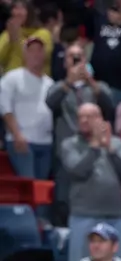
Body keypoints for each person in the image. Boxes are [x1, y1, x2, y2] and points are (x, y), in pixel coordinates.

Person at [59, 101, 121, 261]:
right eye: (81, 117)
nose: (84, 120)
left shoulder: (117, 143)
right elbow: (77, 170)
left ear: (101, 119)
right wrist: (95, 147)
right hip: (83, 215)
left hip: (114, 215)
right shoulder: (69, 144)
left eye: (89, 116)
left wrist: (110, 148)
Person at [45, 40, 113, 149]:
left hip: (93, 143)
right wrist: (69, 82)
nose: (75, 59)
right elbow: (50, 103)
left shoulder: (97, 86)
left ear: (85, 60)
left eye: (79, 56)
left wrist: (90, 81)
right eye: (71, 56)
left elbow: (110, 105)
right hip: (66, 145)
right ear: (65, 63)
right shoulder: (58, 86)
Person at [0, 33, 49, 178]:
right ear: (25, 54)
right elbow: (5, 108)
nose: (36, 54)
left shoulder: (50, 83)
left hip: (46, 142)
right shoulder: (12, 78)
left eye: (39, 50)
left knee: (42, 186)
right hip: (22, 140)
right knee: (29, 182)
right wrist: (17, 134)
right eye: (31, 50)